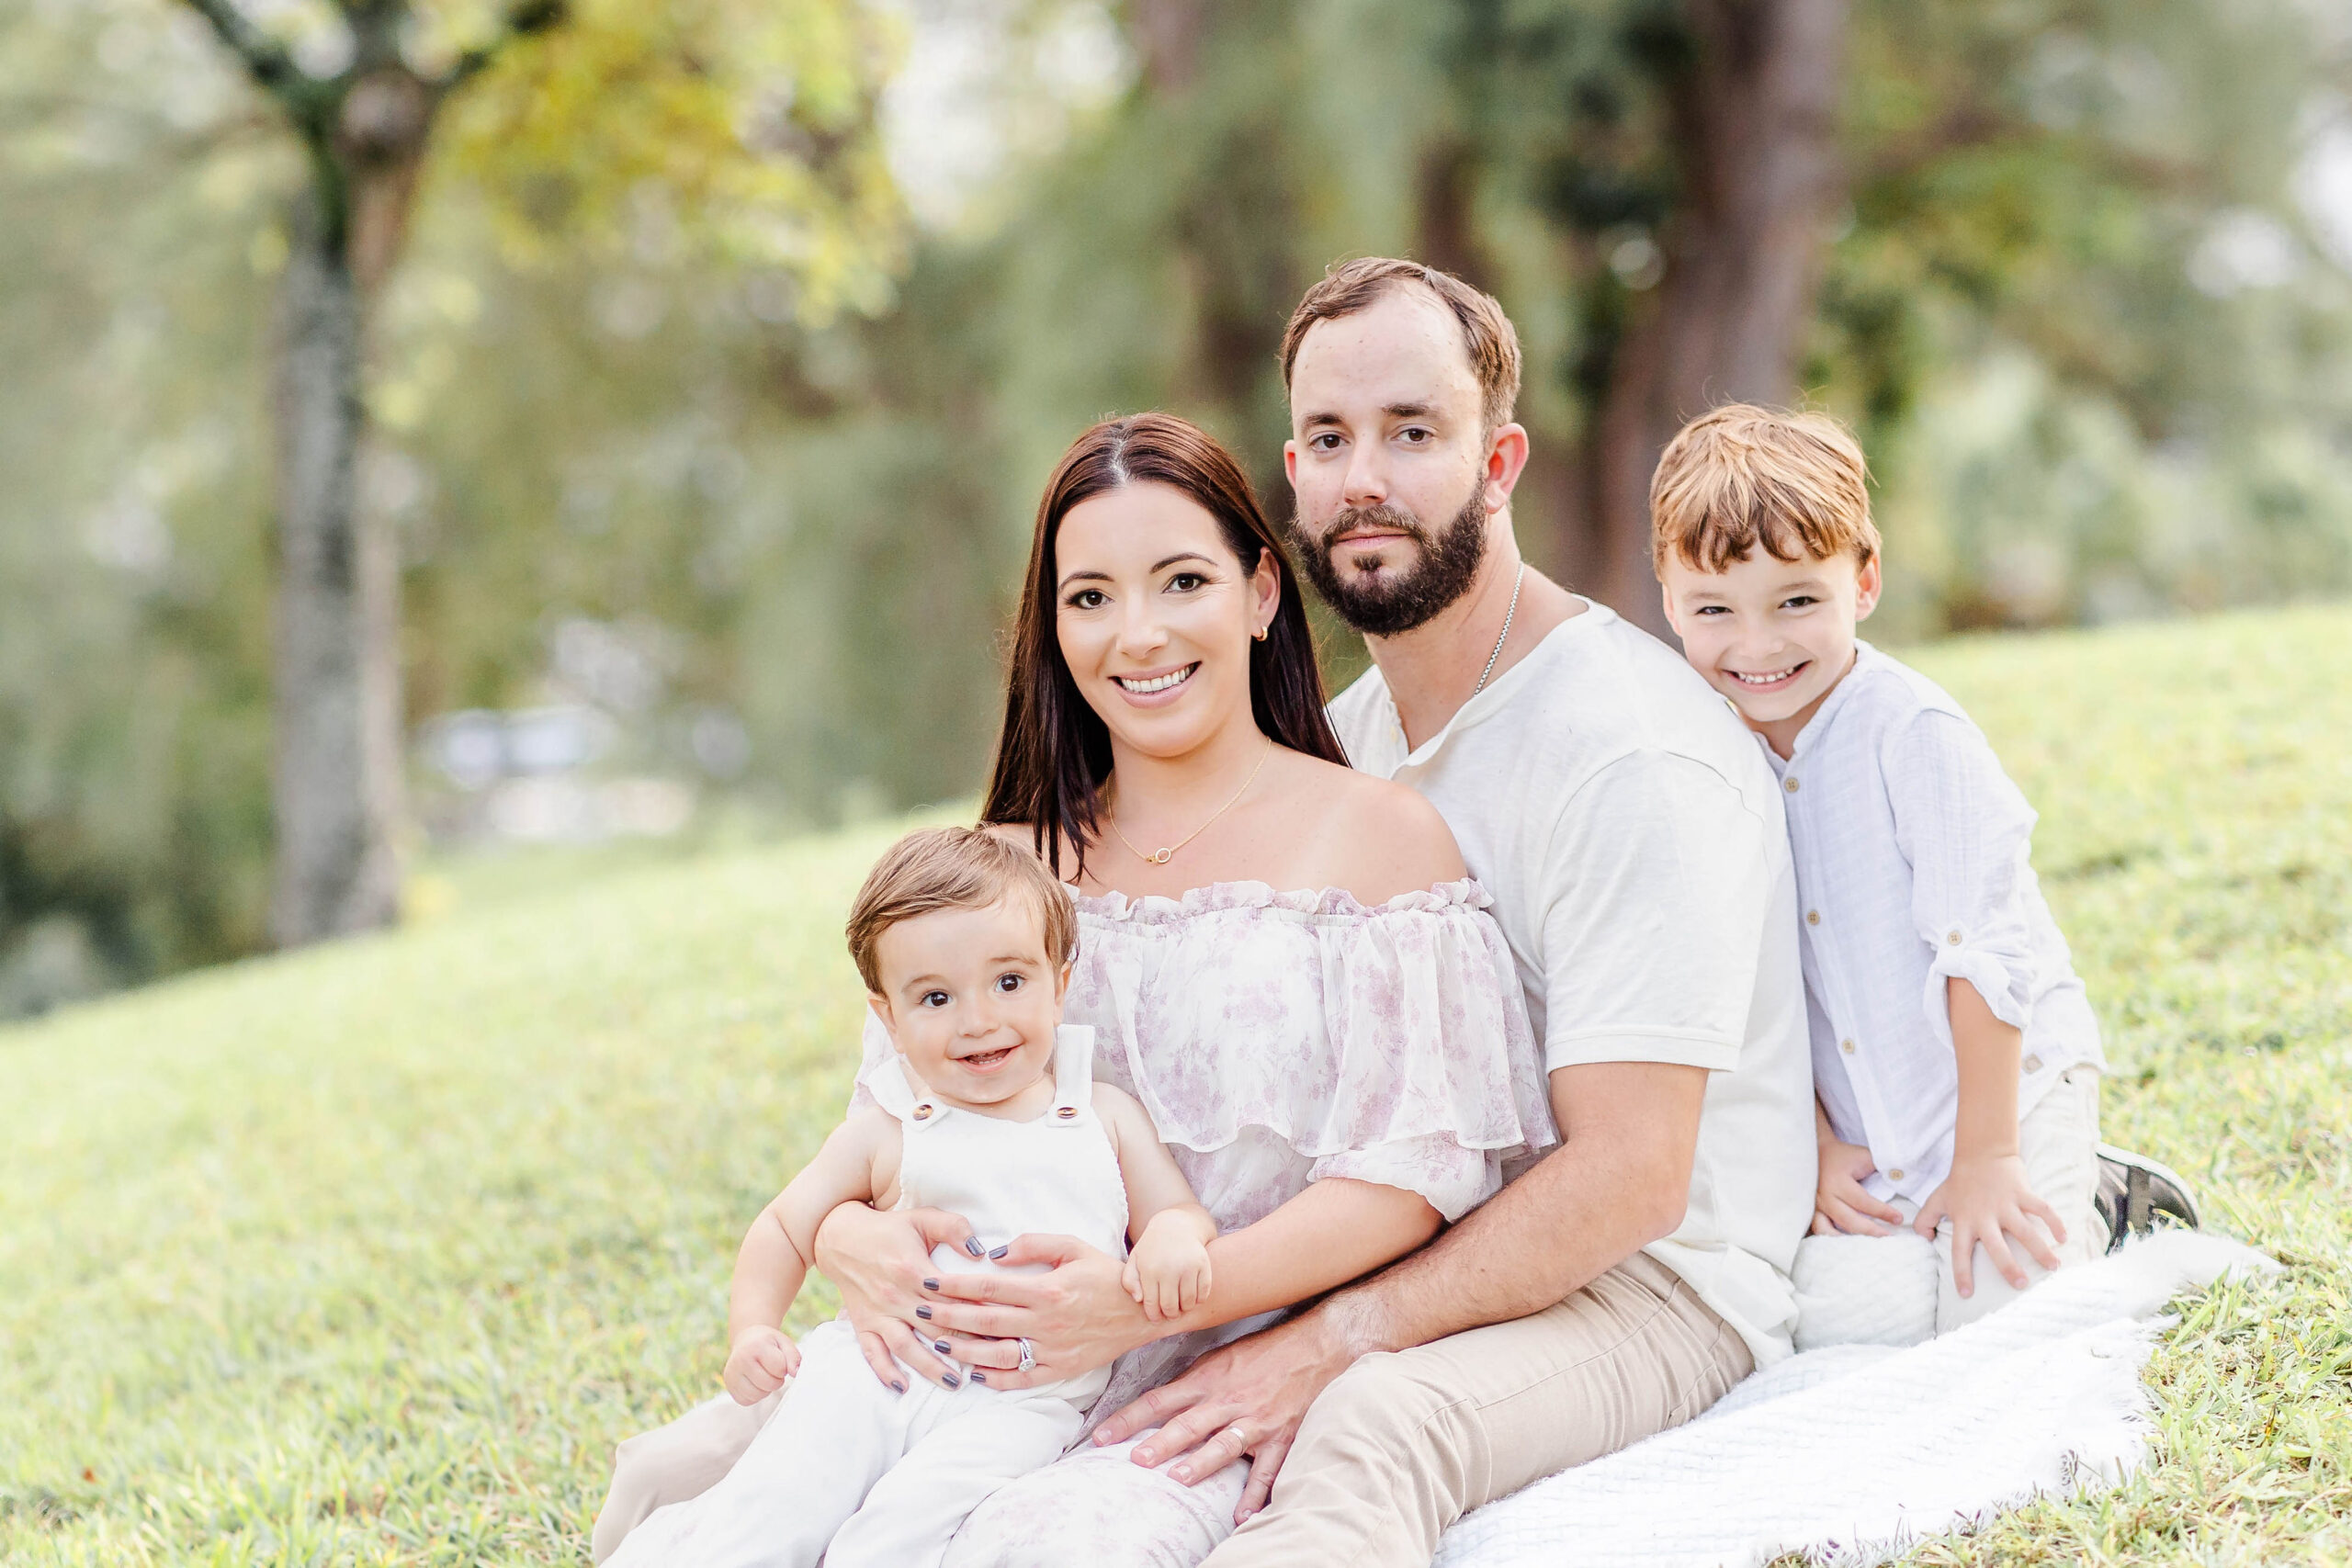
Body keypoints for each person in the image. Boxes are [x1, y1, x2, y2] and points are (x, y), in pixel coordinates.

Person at [589, 412, 1555, 1564]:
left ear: (1258, 595)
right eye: (1089, 597)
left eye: (1180, 581)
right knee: (681, 1492)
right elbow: (890, 1129)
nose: (1135, 635)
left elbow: (1409, 1179)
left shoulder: (1383, 844)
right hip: (956, 1366)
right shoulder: (1002, 868)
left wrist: (1153, 1302)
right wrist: (846, 1234)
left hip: (1203, 1368)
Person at [1079, 258, 1819, 1568]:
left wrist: (1328, 1336)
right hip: (1399, 1244)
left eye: (1412, 432)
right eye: (1328, 437)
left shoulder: (1630, 751)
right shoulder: (1341, 746)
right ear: (1293, 475)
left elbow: (1631, 1176)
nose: (1364, 476)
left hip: (1652, 1281)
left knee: (1368, 1426)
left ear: (1499, 460)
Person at [607, 826, 1217, 1567]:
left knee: (900, 1535)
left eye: (1010, 981)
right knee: (772, 1510)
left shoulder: (1102, 1114)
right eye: (935, 996)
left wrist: (1171, 1241)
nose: (978, 1018)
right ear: (888, 1016)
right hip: (874, 1372)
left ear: (1059, 985)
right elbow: (786, 1225)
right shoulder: (890, 1127)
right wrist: (752, 1327)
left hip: (1022, 1401)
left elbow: (1179, 1211)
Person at [1649, 404, 2108, 1331]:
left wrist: (1986, 1159)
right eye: (1713, 611)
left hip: (2004, 1098)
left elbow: (1983, 952)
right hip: (1862, 1129)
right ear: (1667, 600)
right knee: (1845, 1324)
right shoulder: (1691, 762)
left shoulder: (1911, 733)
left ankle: (2100, 1200)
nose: (1758, 645)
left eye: (1795, 602)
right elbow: (1739, 989)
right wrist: (1813, 1146)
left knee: (2006, 1318)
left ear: (1863, 580)